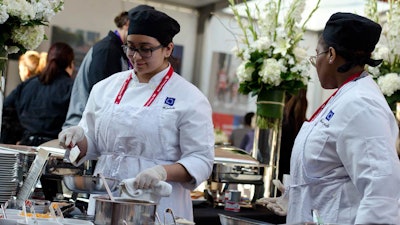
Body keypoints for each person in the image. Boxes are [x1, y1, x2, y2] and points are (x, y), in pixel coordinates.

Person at [58, 8, 214, 222]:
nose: (136, 57)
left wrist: (161, 172)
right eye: (130, 48)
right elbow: (93, 144)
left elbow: (201, 159)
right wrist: (77, 137)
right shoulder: (105, 88)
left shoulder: (189, 97)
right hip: (107, 199)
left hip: (158, 204)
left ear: (168, 49)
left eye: (146, 49)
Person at [282, 12, 400, 224]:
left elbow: (381, 191)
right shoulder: (347, 96)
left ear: (331, 54)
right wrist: (295, 199)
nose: (315, 62)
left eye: (316, 54)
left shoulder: (361, 104)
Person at [62, 5, 154, 129]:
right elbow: (105, 104)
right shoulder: (108, 52)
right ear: (127, 23)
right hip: (83, 131)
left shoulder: (119, 51)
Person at [3, 42, 74, 146]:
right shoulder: (72, 87)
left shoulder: (27, 84)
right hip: (56, 150)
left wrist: (14, 139)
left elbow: (6, 110)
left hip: (25, 145)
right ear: (70, 64)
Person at [0, 51, 47, 144]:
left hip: (19, 138)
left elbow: (6, 107)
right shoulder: (45, 87)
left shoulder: (23, 88)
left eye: (20, 69)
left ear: (26, 70)